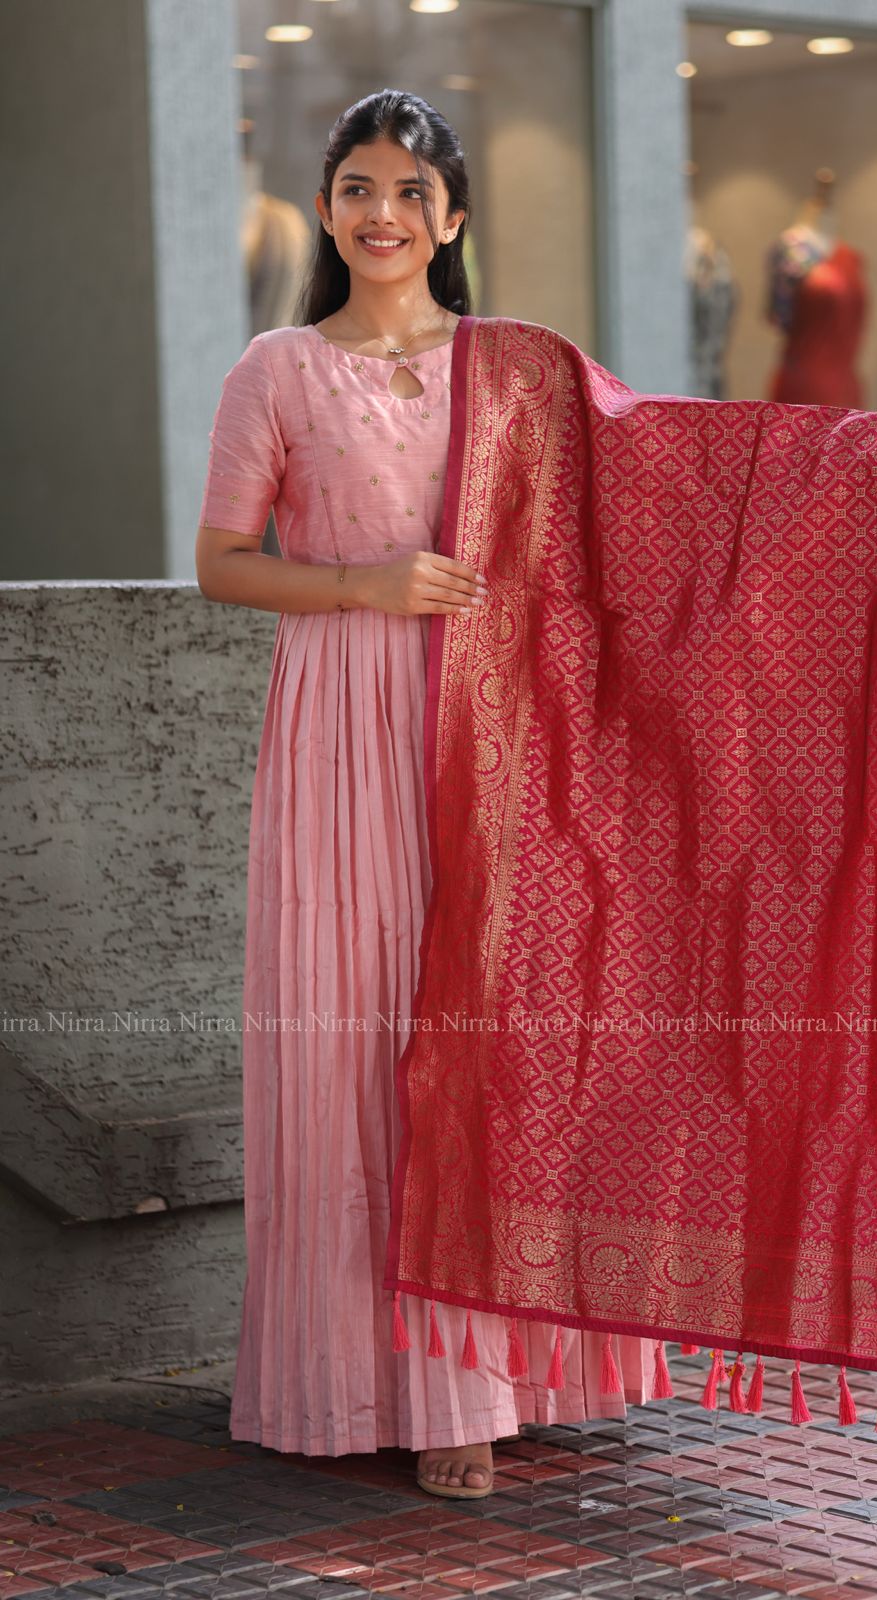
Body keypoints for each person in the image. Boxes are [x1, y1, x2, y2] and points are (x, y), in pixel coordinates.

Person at [195, 89, 658, 1502]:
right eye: (353, 187)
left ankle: (508, 1371)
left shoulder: (516, 371)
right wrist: (366, 588)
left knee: (493, 1036)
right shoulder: (274, 367)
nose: (379, 213)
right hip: (342, 729)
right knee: (360, 1038)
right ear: (329, 210)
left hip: (492, 733)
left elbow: (637, 499)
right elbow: (221, 560)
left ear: (452, 217)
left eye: (407, 189)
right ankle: (382, 1384)